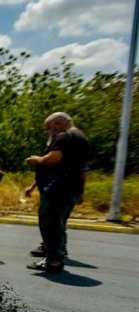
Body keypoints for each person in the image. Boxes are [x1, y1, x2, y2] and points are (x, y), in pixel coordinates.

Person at [24, 111, 90, 273]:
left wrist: (36, 160)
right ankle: (55, 255)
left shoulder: (65, 137)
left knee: (50, 224)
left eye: (49, 127)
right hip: (71, 189)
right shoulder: (82, 138)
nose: (48, 132)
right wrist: (81, 191)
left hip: (58, 189)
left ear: (58, 124)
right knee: (58, 224)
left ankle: (53, 261)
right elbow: (82, 169)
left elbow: (53, 158)